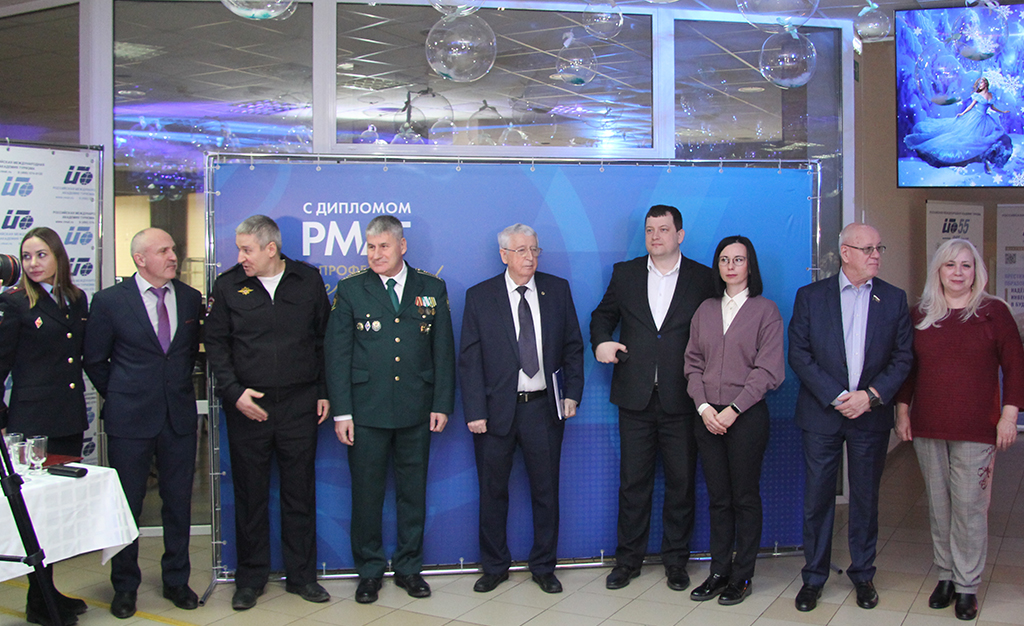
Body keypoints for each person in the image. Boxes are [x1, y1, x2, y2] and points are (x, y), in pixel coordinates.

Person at [325, 215, 455, 604]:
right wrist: (342, 413)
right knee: (366, 496)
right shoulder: (351, 290)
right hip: (366, 412)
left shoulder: (431, 287)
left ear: (402, 246)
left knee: (412, 494)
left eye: (383, 246)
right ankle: (369, 571)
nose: (376, 254)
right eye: (370, 247)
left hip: (416, 409)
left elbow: (443, 351)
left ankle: (409, 568)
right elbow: (337, 355)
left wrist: (441, 403)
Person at [205, 215, 331, 610]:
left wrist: (323, 392)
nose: (241, 257)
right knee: (250, 496)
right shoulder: (228, 285)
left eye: (247, 250)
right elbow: (216, 345)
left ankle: (302, 577)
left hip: (299, 405)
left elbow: (324, 340)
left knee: (299, 494)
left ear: (271, 249)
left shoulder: (307, 280)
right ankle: (250, 580)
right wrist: (234, 393)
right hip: (248, 406)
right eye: (239, 249)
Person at [895, 238, 1024, 621]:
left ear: (976, 271)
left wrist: (1009, 416)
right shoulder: (920, 314)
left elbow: (1016, 366)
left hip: (977, 428)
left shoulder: (993, 313)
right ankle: (946, 576)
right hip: (929, 425)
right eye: (950, 265)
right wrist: (902, 411)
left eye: (966, 265)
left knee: (969, 508)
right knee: (939, 506)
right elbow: (908, 369)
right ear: (938, 270)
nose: (958, 272)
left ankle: (967, 585)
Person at [788, 222, 913, 612]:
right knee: (818, 500)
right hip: (822, 415)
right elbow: (799, 354)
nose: (876, 255)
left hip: (870, 416)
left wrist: (870, 397)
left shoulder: (893, 299)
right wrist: (837, 396)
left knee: (864, 499)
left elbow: (903, 358)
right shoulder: (811, 296)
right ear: (845, 253)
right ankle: (814, 578)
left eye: (879, 248)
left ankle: (863, 575)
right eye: (867, 249)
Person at [589, 204, 714, 591]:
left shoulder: (703, 278)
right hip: (635, 398)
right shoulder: (625, 274)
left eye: (663, 229)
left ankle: (676, 562)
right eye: (649, 230)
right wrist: (601, 342)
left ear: (680, 235)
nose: (655, 236)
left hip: (684, 398)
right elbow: (602, 316)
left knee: (681, 485)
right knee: (633, 484)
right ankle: (628, 561)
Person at [83, 228, 204, 619]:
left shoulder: (190, 298)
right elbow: (94, 360)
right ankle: (124, 586)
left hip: (178, 418)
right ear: (140, 259)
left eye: (173, 249)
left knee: (178, 504)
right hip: (129, 421)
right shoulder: (109, 301)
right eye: (163, 250)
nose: (173, 256)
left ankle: (176, 580)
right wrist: (122, 394)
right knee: (127, 506)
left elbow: (188, 355)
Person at [459, 224, 585, 595]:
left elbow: (573, 346)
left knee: (546, 493)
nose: (529, 257)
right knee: (492, 493)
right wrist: (475, 411)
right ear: (504, 255)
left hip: (543, 408)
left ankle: (544, 566)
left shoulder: (557, 290)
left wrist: (572, 394)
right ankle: (494, 566)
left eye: (534, 250)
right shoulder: (480, 296)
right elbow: (469, 360)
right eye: (521, 251)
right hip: (495, 411)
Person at [683, 235, 784, 606]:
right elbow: (692, 364)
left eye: (738, 259)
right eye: (724, 259)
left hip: (746, 418)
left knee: (744, 497)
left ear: (750, 266)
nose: (730, 266)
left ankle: (742, 577)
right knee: (719, 499)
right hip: (707, 417)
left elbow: (768, 370)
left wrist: (734, 409)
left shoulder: (766, 311)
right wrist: (703, 407)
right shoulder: (705, 310)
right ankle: (719, 572)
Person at [0, 227, 89, 626]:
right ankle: (39, 602)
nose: (34, 263)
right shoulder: (15, 302)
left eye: (41, 255)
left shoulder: (75, 298)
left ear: (58, 257)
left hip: (68, 416)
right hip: (33, 422)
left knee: (58, 510)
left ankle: (47, 592)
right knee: (35, 513)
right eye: (27, 256)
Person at [904, 77, 1011, 171]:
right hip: (974, 117)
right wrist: (963, 113)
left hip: (984, 119)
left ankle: (984, 157)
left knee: (987, 135)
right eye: (979, 83)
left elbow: (992, 107)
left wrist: (1002, 111)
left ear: (986, 83)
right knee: (963, 134)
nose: (980, 85)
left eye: (982, 83)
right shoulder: (978, 96)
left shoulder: (991, 95)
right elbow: (971, 106)